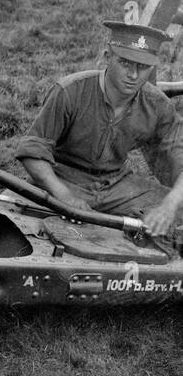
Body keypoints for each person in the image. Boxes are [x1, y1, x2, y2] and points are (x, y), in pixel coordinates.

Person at [14, 21, 183, 235]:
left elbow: (179, 155)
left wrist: (170, 205)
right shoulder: (70, 91)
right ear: (106, 57)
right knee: (14, 215)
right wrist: (64, 196)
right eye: (125, 63)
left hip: (117, 186)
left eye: (143, 67)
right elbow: (32, 153)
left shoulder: (157, 104)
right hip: (65, 179)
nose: (133, 75)